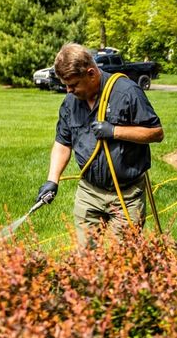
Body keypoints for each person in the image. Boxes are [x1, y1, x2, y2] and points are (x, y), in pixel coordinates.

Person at [36, 43, 164, 243]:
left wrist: (115, 131)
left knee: (121, 262)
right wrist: (52, 180)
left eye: (73, 84)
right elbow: (63, 142)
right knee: (86, 258)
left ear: (91, 73)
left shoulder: (126, 92)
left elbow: (156, 132)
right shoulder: (71, 102)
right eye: (66, 85)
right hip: (89, 192)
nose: (68, 91)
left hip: (126, 194)